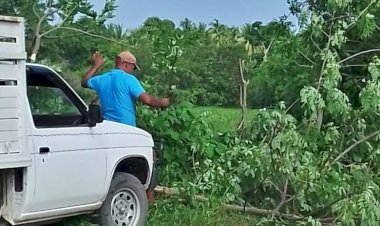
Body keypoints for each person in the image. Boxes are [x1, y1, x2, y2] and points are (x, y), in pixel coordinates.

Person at [81, 50, 170, 127]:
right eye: (133, 67)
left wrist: (95, 66)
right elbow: (148, 100)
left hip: (107, 127)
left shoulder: (102, 79)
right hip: (126, 129)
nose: (132, 70)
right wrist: (162, 102)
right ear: (126, 64)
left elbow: (84, 82)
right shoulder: (129, 79)